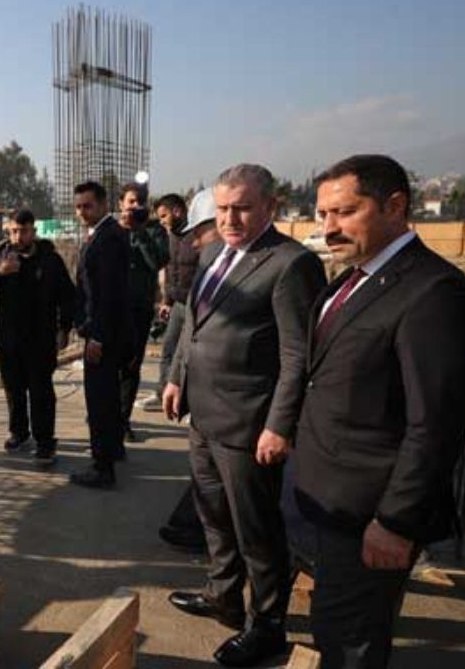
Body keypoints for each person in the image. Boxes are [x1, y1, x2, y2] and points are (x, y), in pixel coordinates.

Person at [294, 154, 465, 668]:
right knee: (334, 624)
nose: (327, 228)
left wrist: (396, 521)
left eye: (344, 212)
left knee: (350, 640)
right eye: (322, 214)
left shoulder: (432, 292)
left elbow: (435, 424)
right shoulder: (351, 281)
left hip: (370, 512)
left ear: (395, 206)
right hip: (328, 498)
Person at [162, 164, 325, 667]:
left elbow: (298, 356)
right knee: (213, 515)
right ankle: (223, 595)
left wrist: (280, 424)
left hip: (250, 423)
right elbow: (195, 325)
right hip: (204, 416)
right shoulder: (212, 252)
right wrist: (176, 376)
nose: (230, 218)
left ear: (270, 208)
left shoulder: (289, 264)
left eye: (242, 208)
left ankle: (268, 623)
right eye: (224, 208)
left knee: (257, 528)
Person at [0, 208, 75, 466]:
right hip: (9, 338)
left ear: (33, 231)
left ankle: (45, 442)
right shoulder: (2, 255)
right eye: (14, 231)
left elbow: (67, 296)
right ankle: (19, 433)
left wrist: (64, 329)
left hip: (40, 338)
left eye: (24, 231)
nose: (19, 236)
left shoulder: (50, 259)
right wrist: (0, 272)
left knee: (41, 391)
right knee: (13, 389)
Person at [153, 189, 219, 555]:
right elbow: (190, 333)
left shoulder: (281, 268)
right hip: (207, 402)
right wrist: (177, 380)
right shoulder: (210, 270)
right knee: (207, 474)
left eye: (202, 231)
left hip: (237, 408)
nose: (195, 241)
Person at [70, 180, 132, 489]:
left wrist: (98, 337)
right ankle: (113, 449)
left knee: (100, 400)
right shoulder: (103, 235)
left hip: (102, 335)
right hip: (103, 331)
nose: (82, 212)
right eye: (78, 206)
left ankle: (102, 465)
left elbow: (109, 294)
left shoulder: (108, 238)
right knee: (106, 397)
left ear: (104, 204)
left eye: (88, 206)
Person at [118, 182, 168, 444]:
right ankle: (106, 415)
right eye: (131, 201)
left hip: (137, 310)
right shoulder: (112, 230)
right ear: (121, 204)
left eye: (141, 202)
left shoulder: (154, 231)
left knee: (130, 367)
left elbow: (157, 262)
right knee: (107, 366)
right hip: (112, 309)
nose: (135, 206)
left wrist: (139, 233)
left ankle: (122, 420)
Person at [139, 192, 193, 411]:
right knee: (168, 350)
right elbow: (170, 271)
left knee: (191, 356)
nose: (161, 221)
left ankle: (188, 403)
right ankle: (163, 395)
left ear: (177, 211)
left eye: (164, 216)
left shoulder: (196, 238)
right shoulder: (170, 238)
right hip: (177, 304)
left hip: (195, 306)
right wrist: (166, 301)